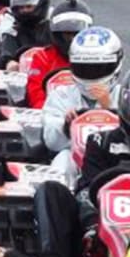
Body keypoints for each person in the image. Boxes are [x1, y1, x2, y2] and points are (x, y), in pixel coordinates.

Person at [8, 61, 128, 257]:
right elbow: (87, 188)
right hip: (98, 239)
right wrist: (92, 225)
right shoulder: (100, 141)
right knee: (52, 191)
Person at [42, 27, 121, 182]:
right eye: (85, 69)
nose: (91, 76)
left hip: (116, 157)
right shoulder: (61, 94)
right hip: (73, 157)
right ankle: (62, 203)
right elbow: (51, 142)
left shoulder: (125, 96)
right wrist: (66, 126)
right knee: (62, 162)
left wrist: (110, 108)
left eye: (98, 69)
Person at [26, 0, 93, 109]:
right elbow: (35, 95)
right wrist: (54, 113)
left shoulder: (95, 59)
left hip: (87, 115)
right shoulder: (42, 57)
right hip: (49, 114)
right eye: (68, 34)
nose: (73, 39)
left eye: (77, 34)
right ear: (57, 34)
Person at [0, 0, 51, 70]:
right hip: (22, 75)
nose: (25, 11)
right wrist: (9, 62)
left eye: (29, 7)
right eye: (21, 8)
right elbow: (5, 49)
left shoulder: (54, 26)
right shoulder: (12, 29)